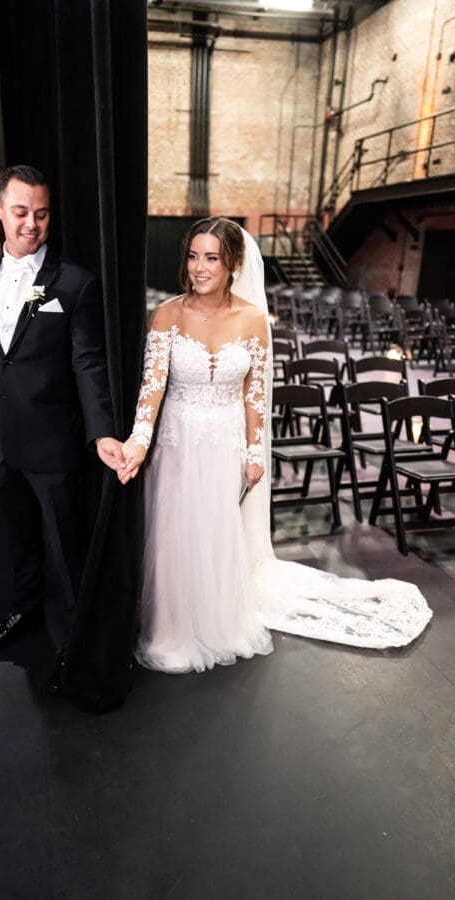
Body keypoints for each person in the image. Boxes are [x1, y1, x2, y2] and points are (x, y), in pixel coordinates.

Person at [119, 216, 432, 674]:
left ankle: (219, 622)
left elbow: (255, 396)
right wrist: (138, 444)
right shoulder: (166, 315)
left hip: (226, 442)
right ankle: (170, 628)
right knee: (173, 531)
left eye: (212, 258)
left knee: (216, 531)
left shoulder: (252, 320)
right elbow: (151, 391)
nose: (200, 268)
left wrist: (253, 453)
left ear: (233, 264)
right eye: (193, 256)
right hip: (178, 440)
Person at [0, 164, 124, 689]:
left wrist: (102, 432)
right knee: (21, 543)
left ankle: (73, 644)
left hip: (53, 444)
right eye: (21, 212)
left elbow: (88, 363)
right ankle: (25, 615)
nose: (32, 224)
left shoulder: (74, 283)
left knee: (63, 552)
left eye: (42, 214)